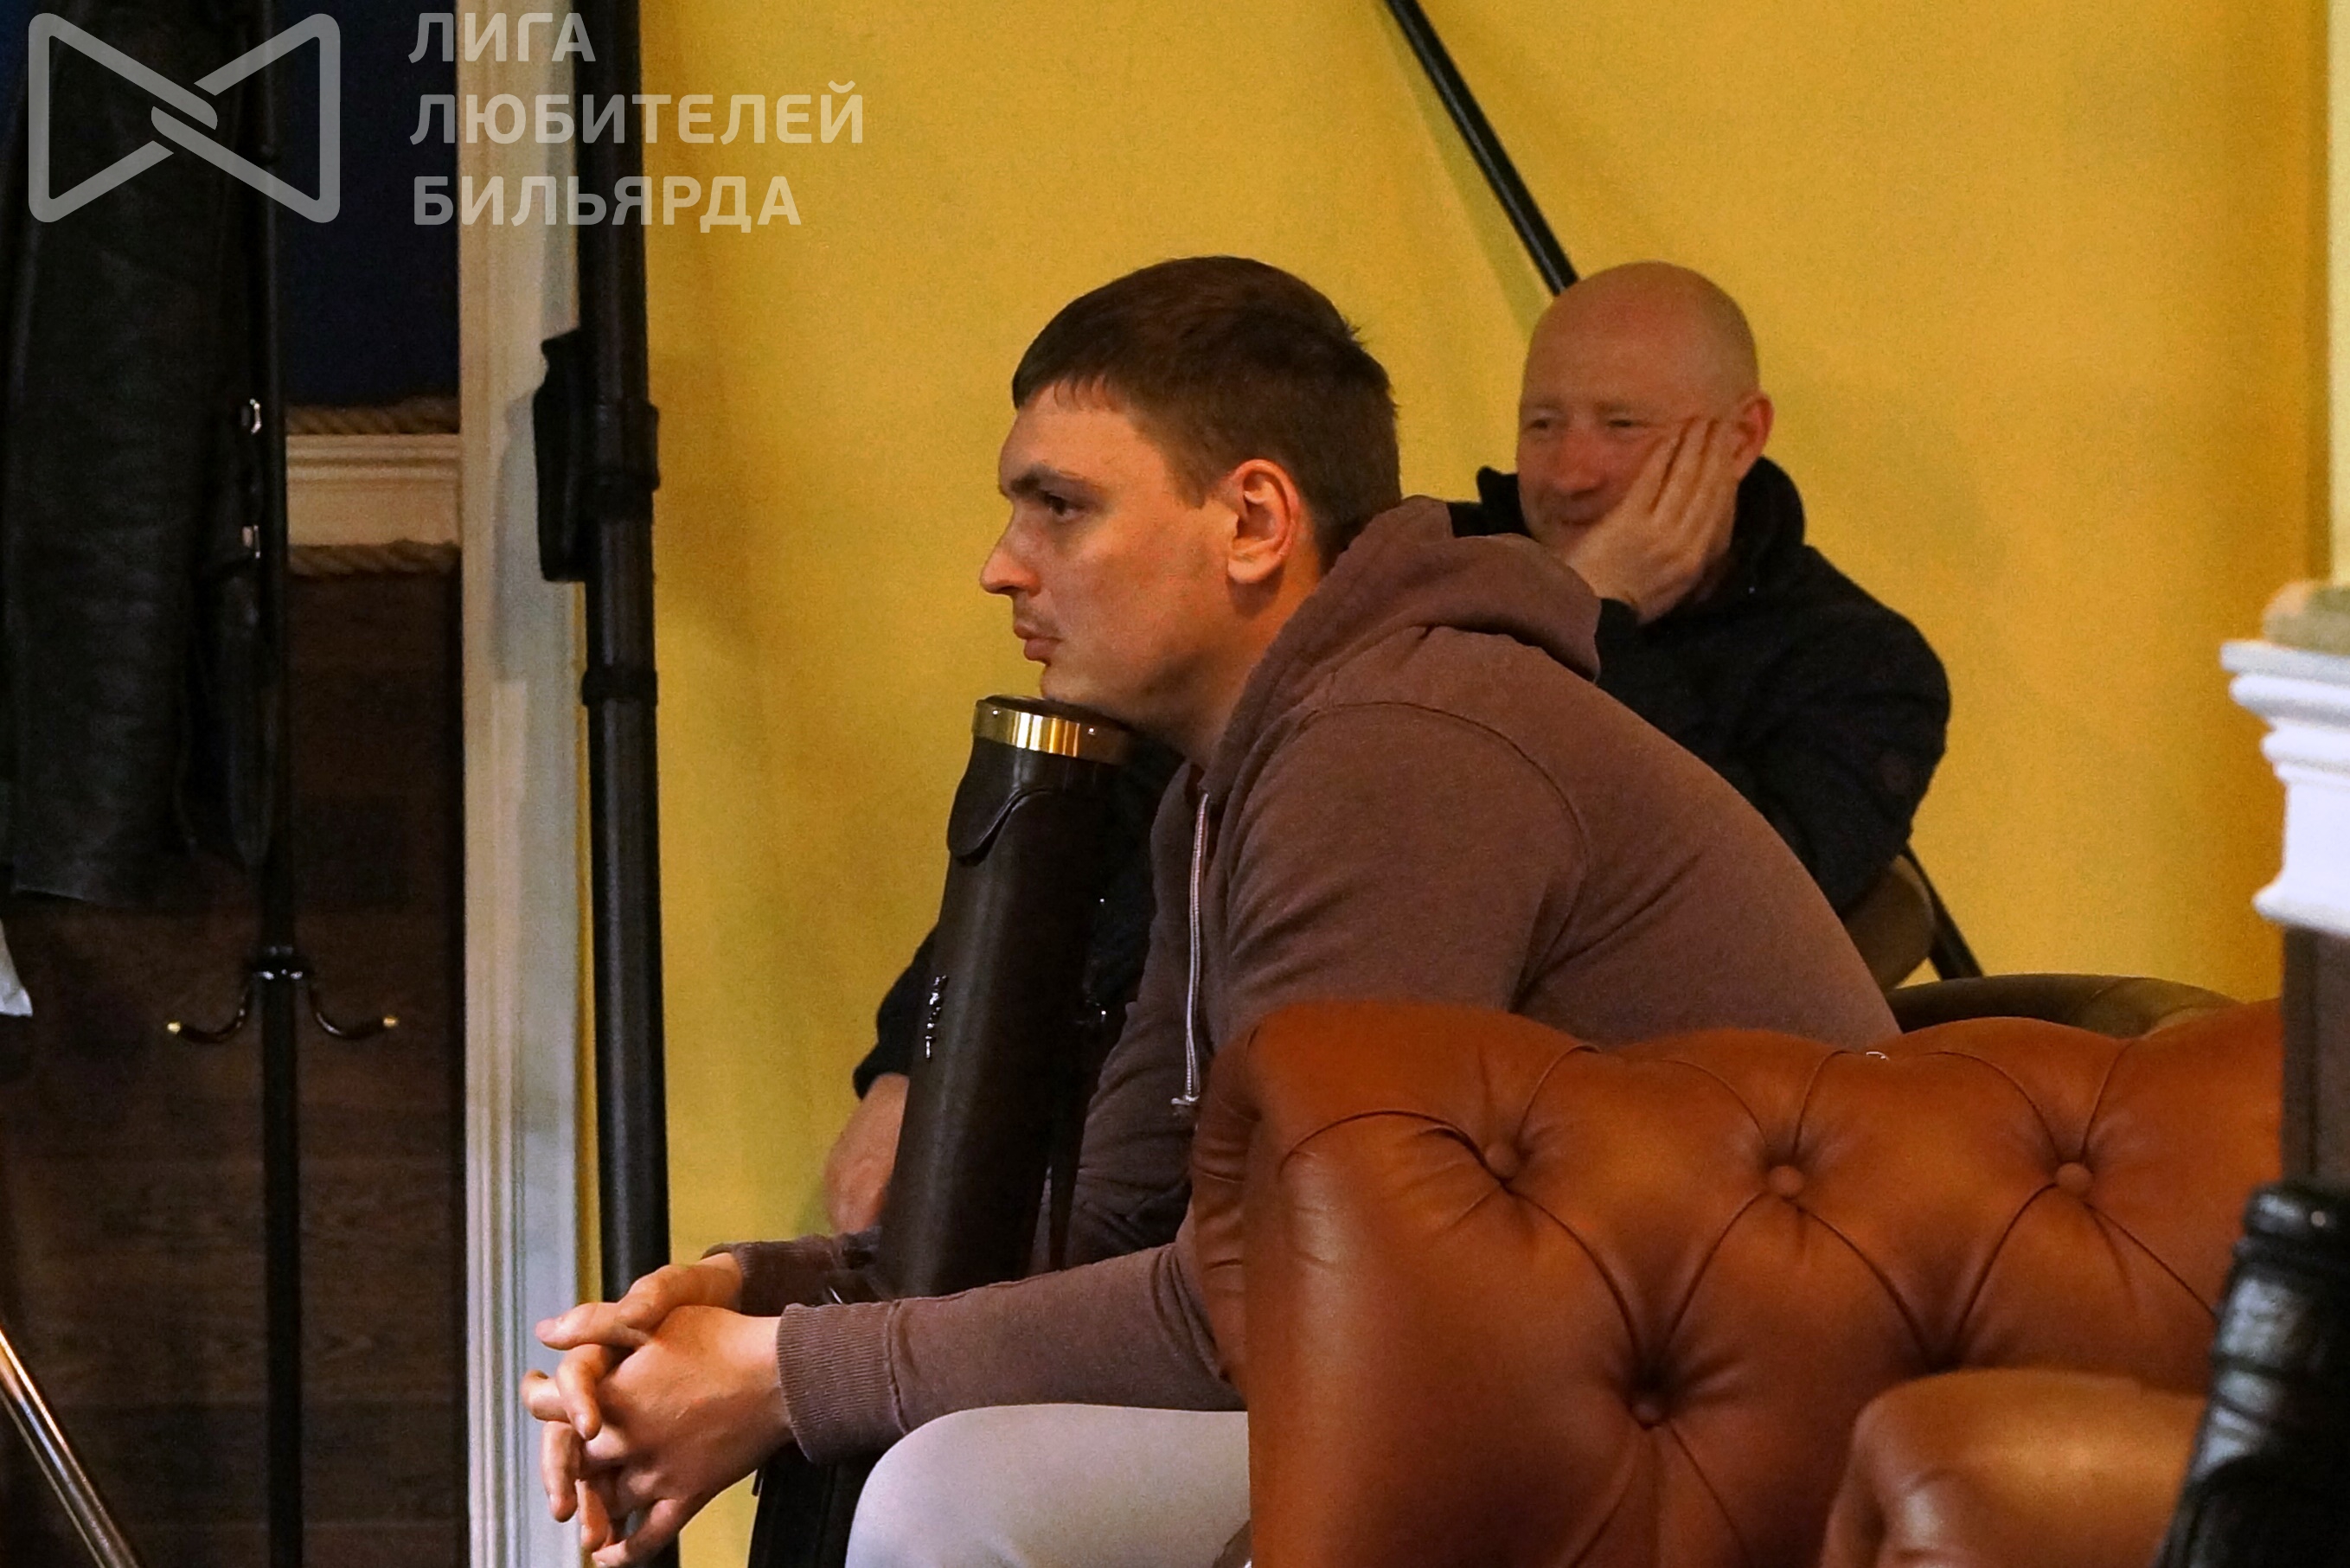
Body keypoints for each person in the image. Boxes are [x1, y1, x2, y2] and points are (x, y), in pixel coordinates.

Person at [523, 256, 1895, 1567]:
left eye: (1060, 507)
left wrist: (786, 1372)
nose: (1002, 564)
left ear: (1251, 522)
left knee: (956, 1496)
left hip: (1752, 1431)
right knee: (924, 1443)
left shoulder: (1395, 748)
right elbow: (1119, 1228)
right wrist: (763, 1295)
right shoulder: (1235, 778)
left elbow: (1277, 1296)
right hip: (1520, 1382)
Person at [823, 259, 1948, 1236]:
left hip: (1735, 1286)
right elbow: (1101, 866)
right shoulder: (1322, 653)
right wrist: (912, 1066)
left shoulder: (1420, 710)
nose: (1569, 471)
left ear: (1738, 438)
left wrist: (1592, 615)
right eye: (1541, 423)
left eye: (1621, 427)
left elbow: (1303, 1254)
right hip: (1389, 1231)